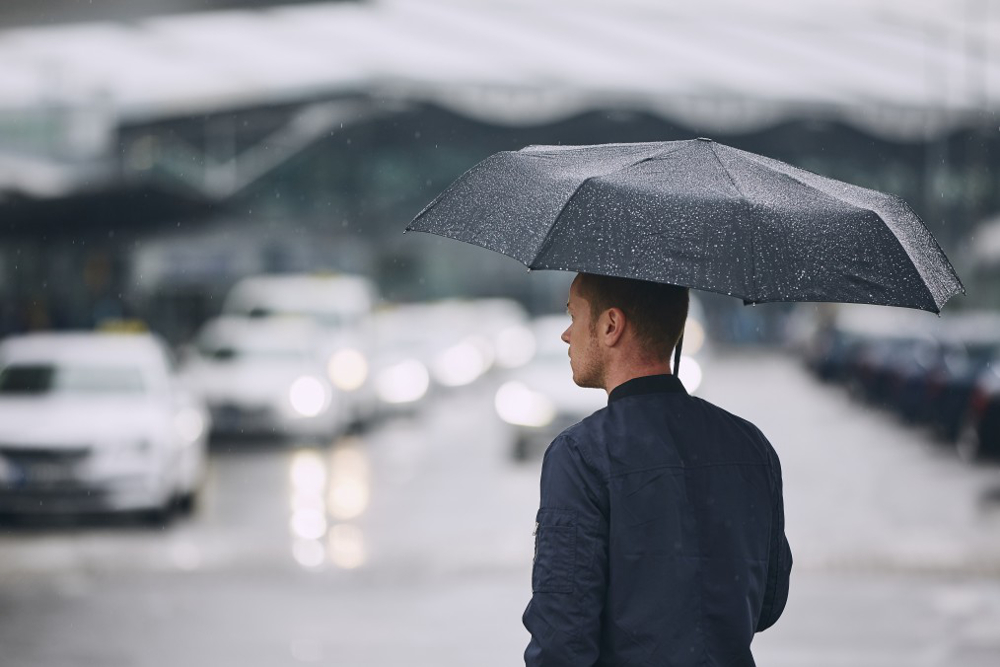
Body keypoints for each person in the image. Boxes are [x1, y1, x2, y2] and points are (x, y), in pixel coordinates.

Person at [523, 273, 792, 667]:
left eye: (573, 315)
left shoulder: (581, 454)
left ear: (611, 325)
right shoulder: (751, 446)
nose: (566, 334)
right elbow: (767, 604)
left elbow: (561, 638)